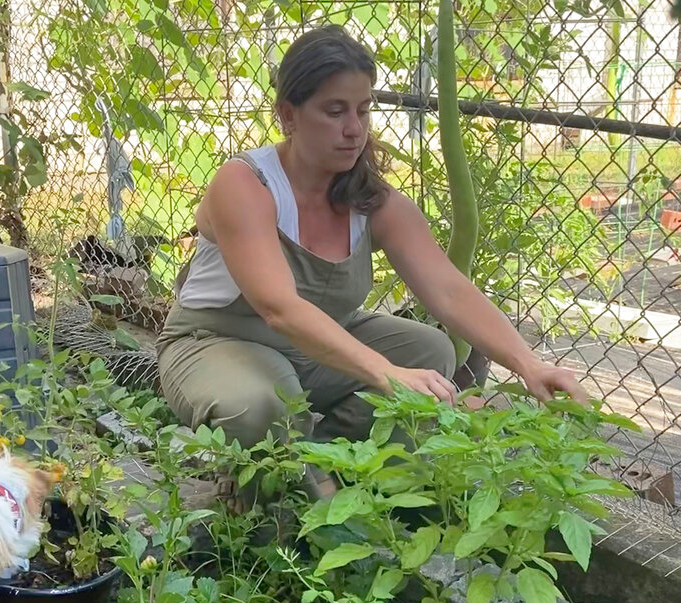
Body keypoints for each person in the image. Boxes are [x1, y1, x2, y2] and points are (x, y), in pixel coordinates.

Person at [156, 25, 586, 475]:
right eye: (335, 111)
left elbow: (448, 289)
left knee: (431, 351)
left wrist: (529, 365)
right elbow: (278, 307)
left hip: (316, 350)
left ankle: (327, 471)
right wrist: (385, 373)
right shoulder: (245, 184)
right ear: (288, 114)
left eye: (364, 110)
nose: (354, 129)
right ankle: (265, 492)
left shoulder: (372, 200)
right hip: (219, 342)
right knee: (260, 404)